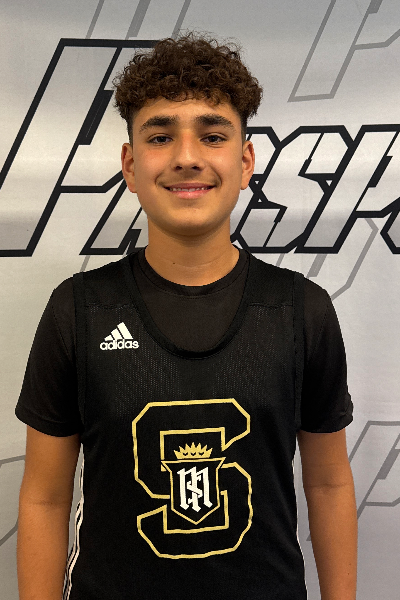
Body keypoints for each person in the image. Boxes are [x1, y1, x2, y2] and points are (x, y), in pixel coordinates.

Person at [15, 33, 357, 600]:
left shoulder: (301, 310)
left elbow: (328, 484)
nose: (187, 156)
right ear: (130, 164)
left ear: (245, 162)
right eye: (160, 136)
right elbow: (45, 499)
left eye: (213, 135)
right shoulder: (79, 310)